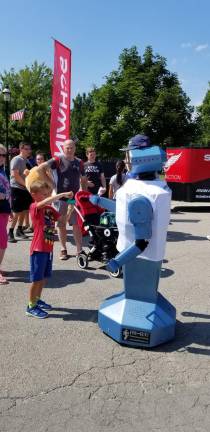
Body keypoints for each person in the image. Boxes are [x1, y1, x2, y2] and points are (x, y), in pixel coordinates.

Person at [26, 181, 73, 318]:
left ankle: (37, 299)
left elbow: (62, 222)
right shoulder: (34, 206)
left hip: (48, 249)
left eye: (47, 194)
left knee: (43, 278)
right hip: (38, 249)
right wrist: (62, 194)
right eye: (44, 194)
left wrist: (70, 209)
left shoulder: (50, 209)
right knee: (36, 279)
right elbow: (46, 201)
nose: (46, 197)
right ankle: (30, 306)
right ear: (34, 195)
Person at [37, 139, 87, 260]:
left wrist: (83, 195)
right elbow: (40, 169)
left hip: (74, 199)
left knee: (76, 225)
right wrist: (51, 184)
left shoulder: (79, 162)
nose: (69, 149)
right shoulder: (57, 160)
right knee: (61, 224)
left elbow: (83, 179)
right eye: (67, 147)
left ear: (75, 148)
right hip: (60, 198)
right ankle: (63, 249)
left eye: (71, 147)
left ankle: (79, 250)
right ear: (63, 148)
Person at [8, 141, 33, 242]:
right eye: (26, 149)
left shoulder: (26, 160)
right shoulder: (17, 159)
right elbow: (15, 175)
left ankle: (19, 230)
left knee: (24, 211)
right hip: (17, 188)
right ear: (21, 149)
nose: (29, 151)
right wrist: (26, 185)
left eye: (29, 149)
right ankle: (10, 232)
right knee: (17, 212)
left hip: (24, 188)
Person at [0, 144, 11, 284]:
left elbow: (8, 190)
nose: (2, 158)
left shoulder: (3, 170)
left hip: (4, 209)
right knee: (2, 242)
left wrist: (10, 208)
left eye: (4, 155)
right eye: (0, 155)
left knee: (2, 241)